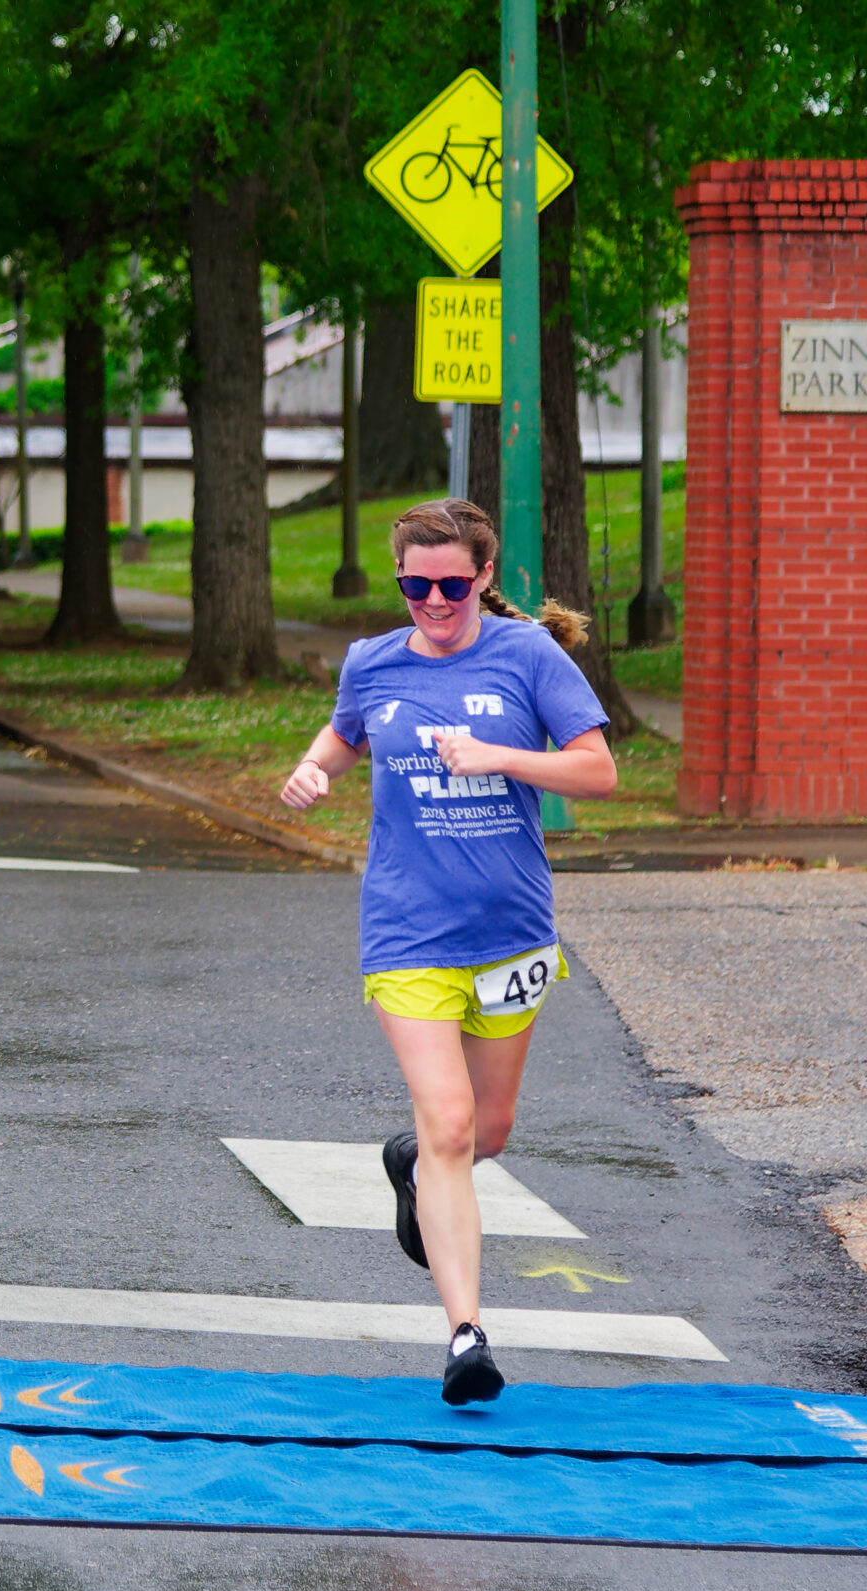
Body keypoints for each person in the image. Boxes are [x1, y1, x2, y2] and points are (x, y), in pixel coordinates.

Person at [277, 498, 616, 1406]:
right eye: (415, 584)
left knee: (485, 1131)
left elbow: (597, 769)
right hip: (407, 933)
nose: (433, 599)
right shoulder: (372, 662)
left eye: (451, 584)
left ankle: (412, 1163)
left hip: (511, 931)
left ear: (482, 578)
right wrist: (315, 770)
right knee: (454, 1127)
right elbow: (347, 735)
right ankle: (467, 1333)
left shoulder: (527, 658)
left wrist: (501, 757)